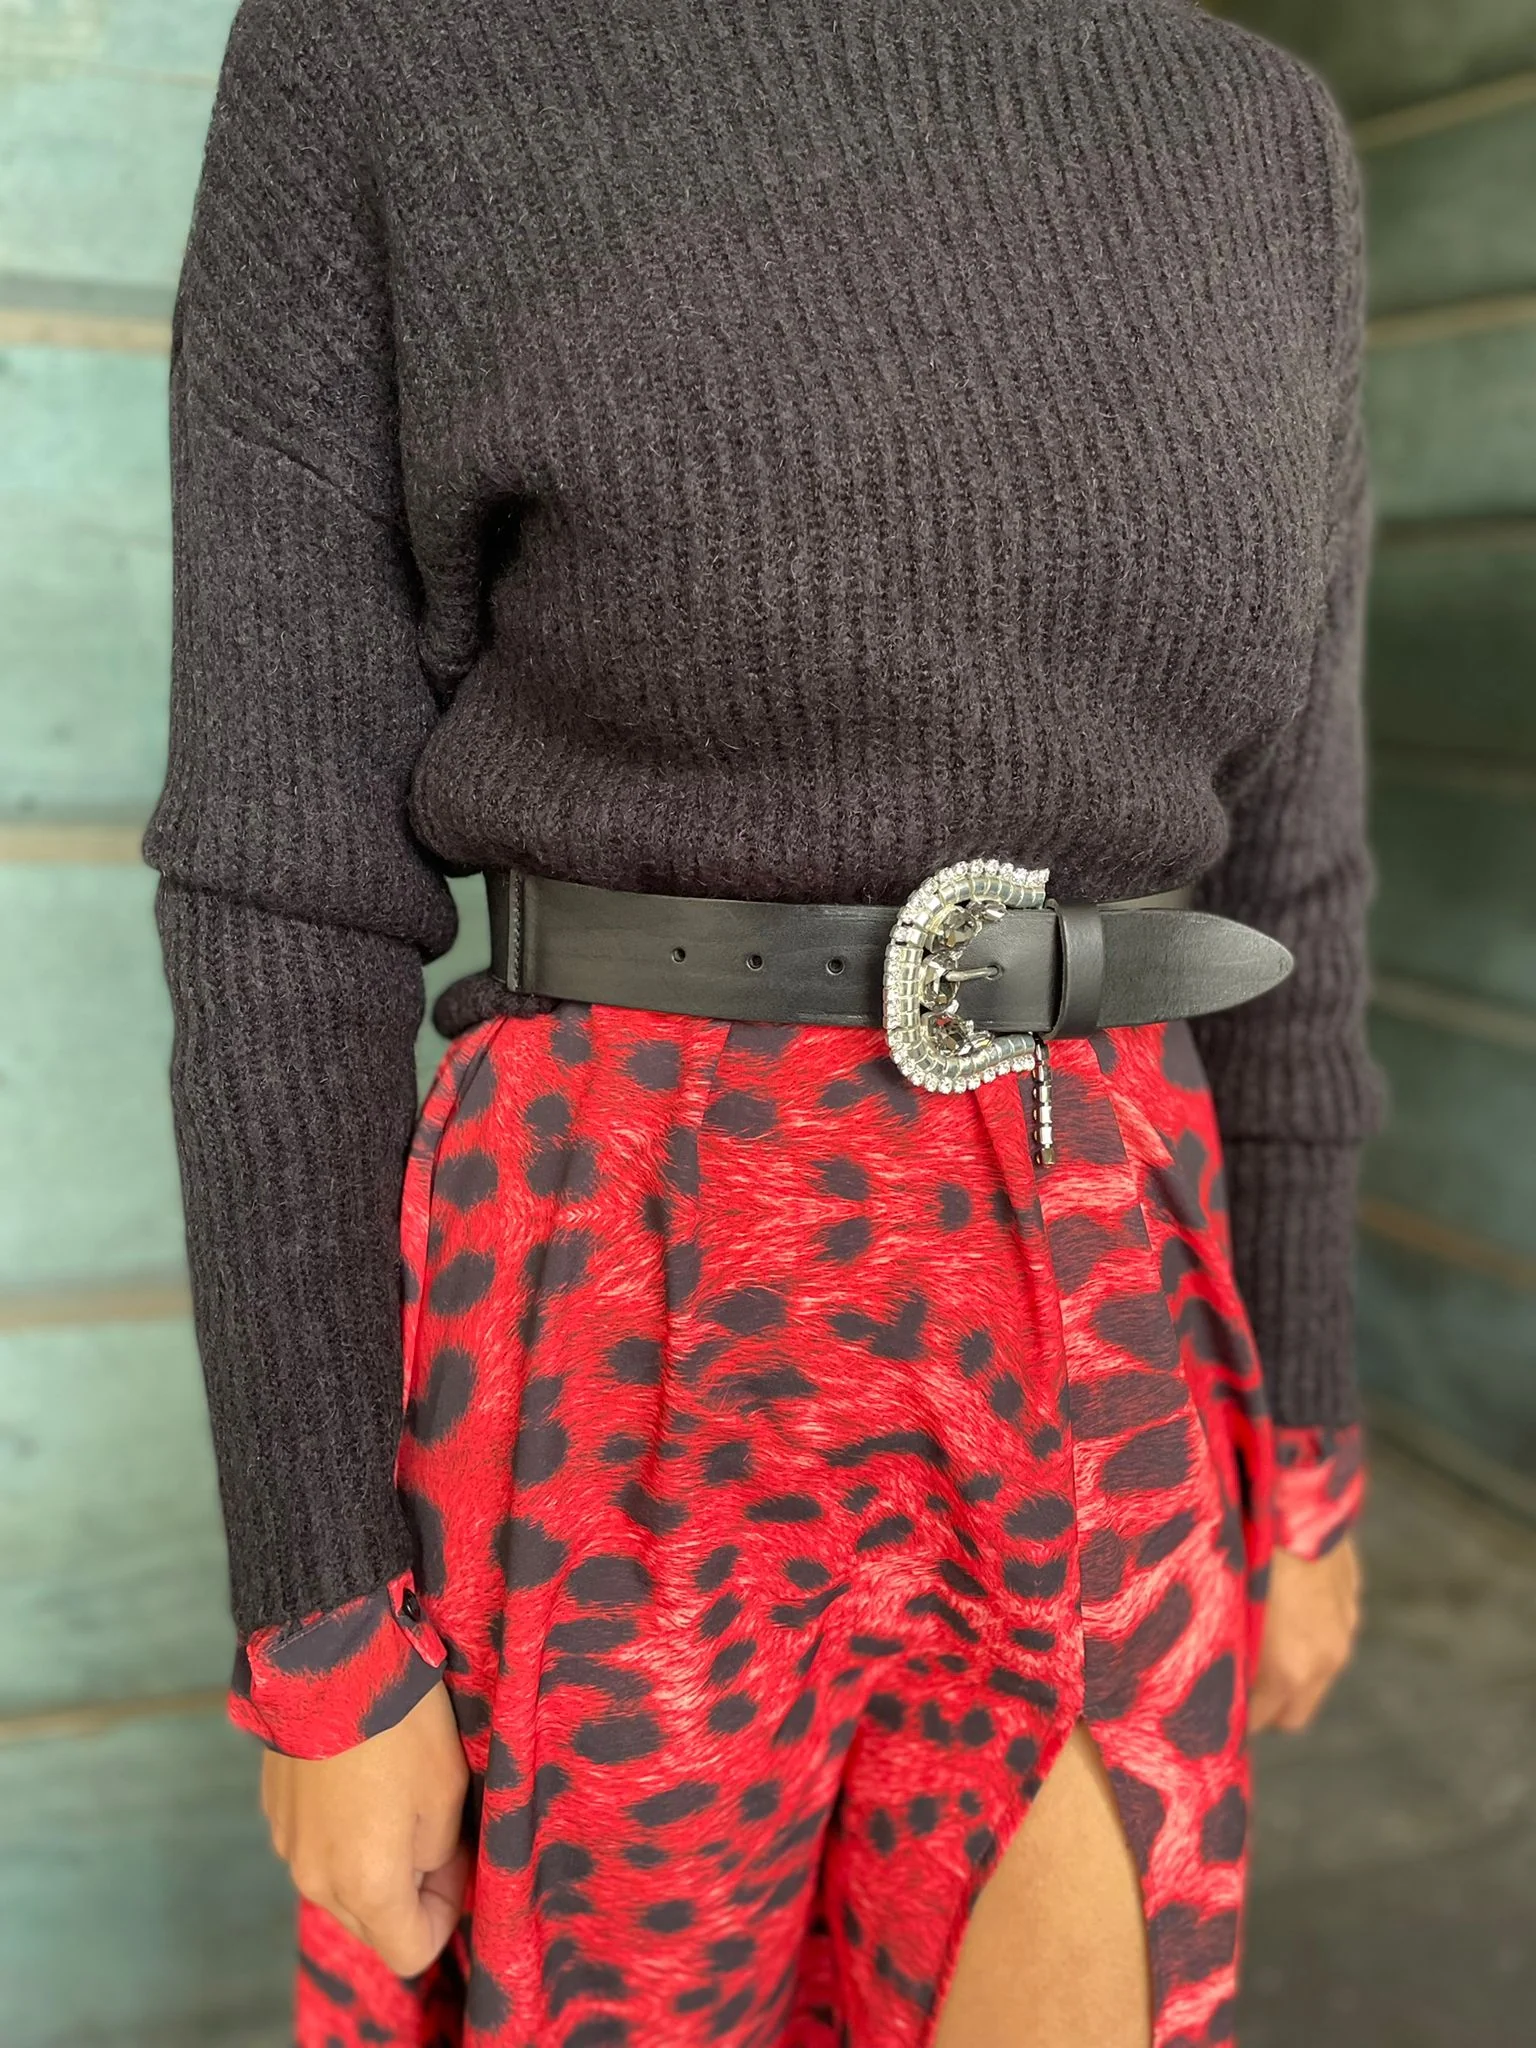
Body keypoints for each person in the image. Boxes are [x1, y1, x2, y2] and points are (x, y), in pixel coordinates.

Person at [142, 1, 1381, 2042]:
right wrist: (319, 1614)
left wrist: (1305, 1437)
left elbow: (1296, 873)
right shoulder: (387, 59)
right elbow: (285, 893)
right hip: (615, 1329)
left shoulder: (1256, 136)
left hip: (1103, 1311)